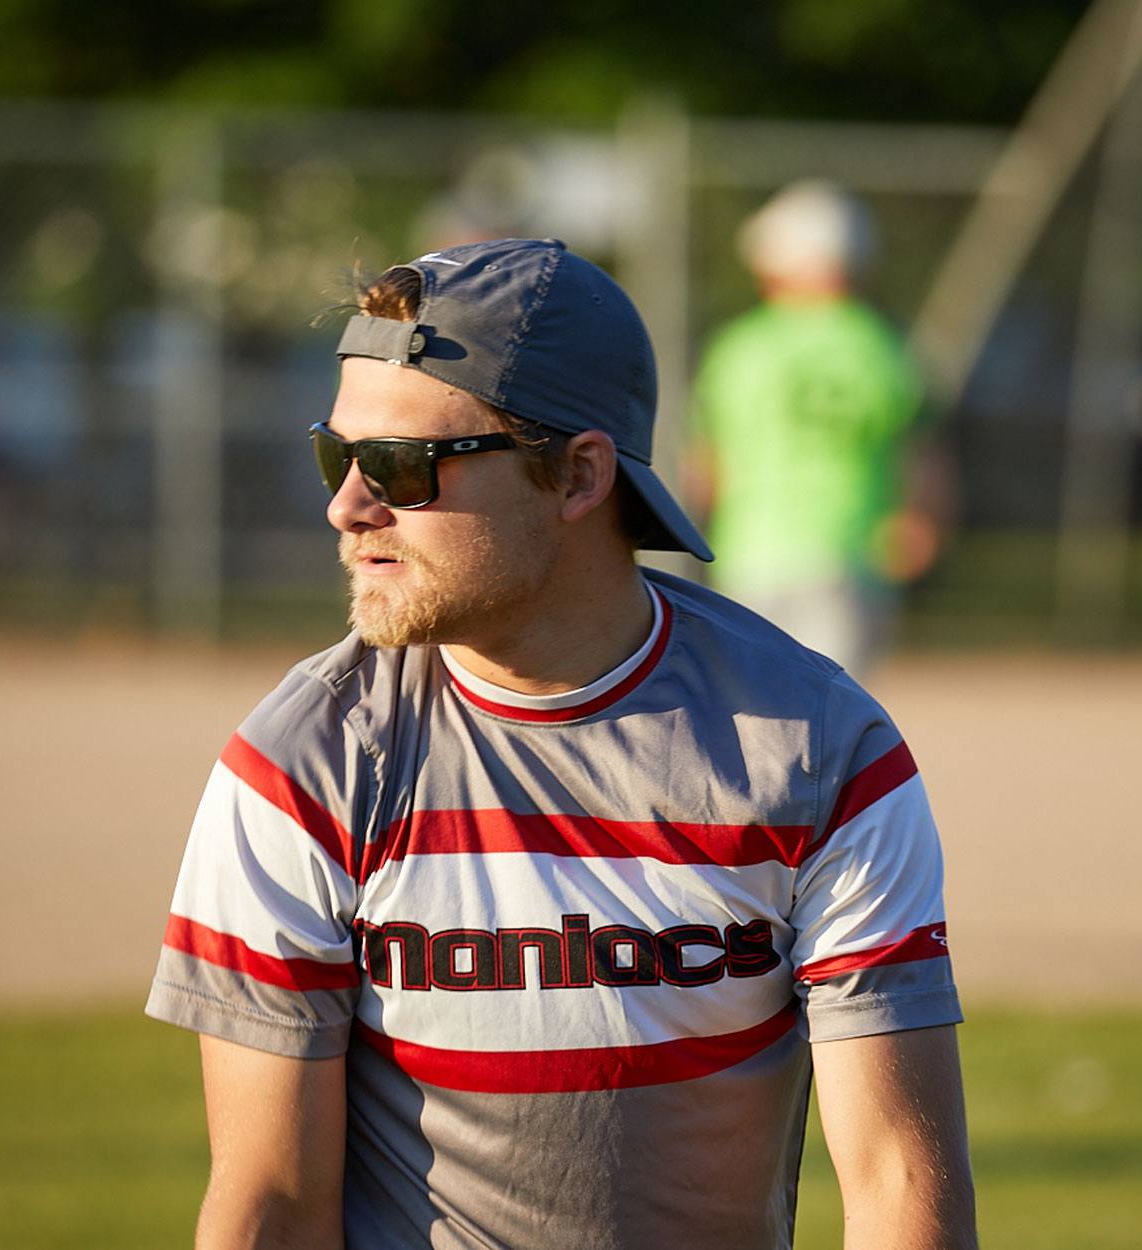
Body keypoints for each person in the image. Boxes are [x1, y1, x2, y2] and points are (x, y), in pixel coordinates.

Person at [145, 237, 976, 1249]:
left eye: (402, 467)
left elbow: (899, 1183)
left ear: (579, 474)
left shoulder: (818, 751)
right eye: (338, 452)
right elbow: (270, 1200)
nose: (346, 505)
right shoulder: (302, 763)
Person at [690, 180, 950, 675]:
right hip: (849, 552)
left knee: (751, 710)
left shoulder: (739, 347)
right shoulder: (883, 347)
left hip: (749, 551)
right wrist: (922, 518)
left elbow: (707, 467)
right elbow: (917, 452)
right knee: (837, 717)